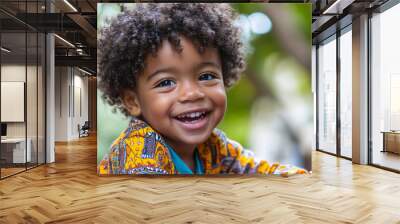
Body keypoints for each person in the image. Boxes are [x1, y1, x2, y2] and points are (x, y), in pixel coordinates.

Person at [97, 3, 306, 176]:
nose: (192, 93)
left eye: (206, 77)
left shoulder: (215, 146)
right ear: (133, 101)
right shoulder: (139, 151)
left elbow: (263, 172)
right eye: (166, 83)